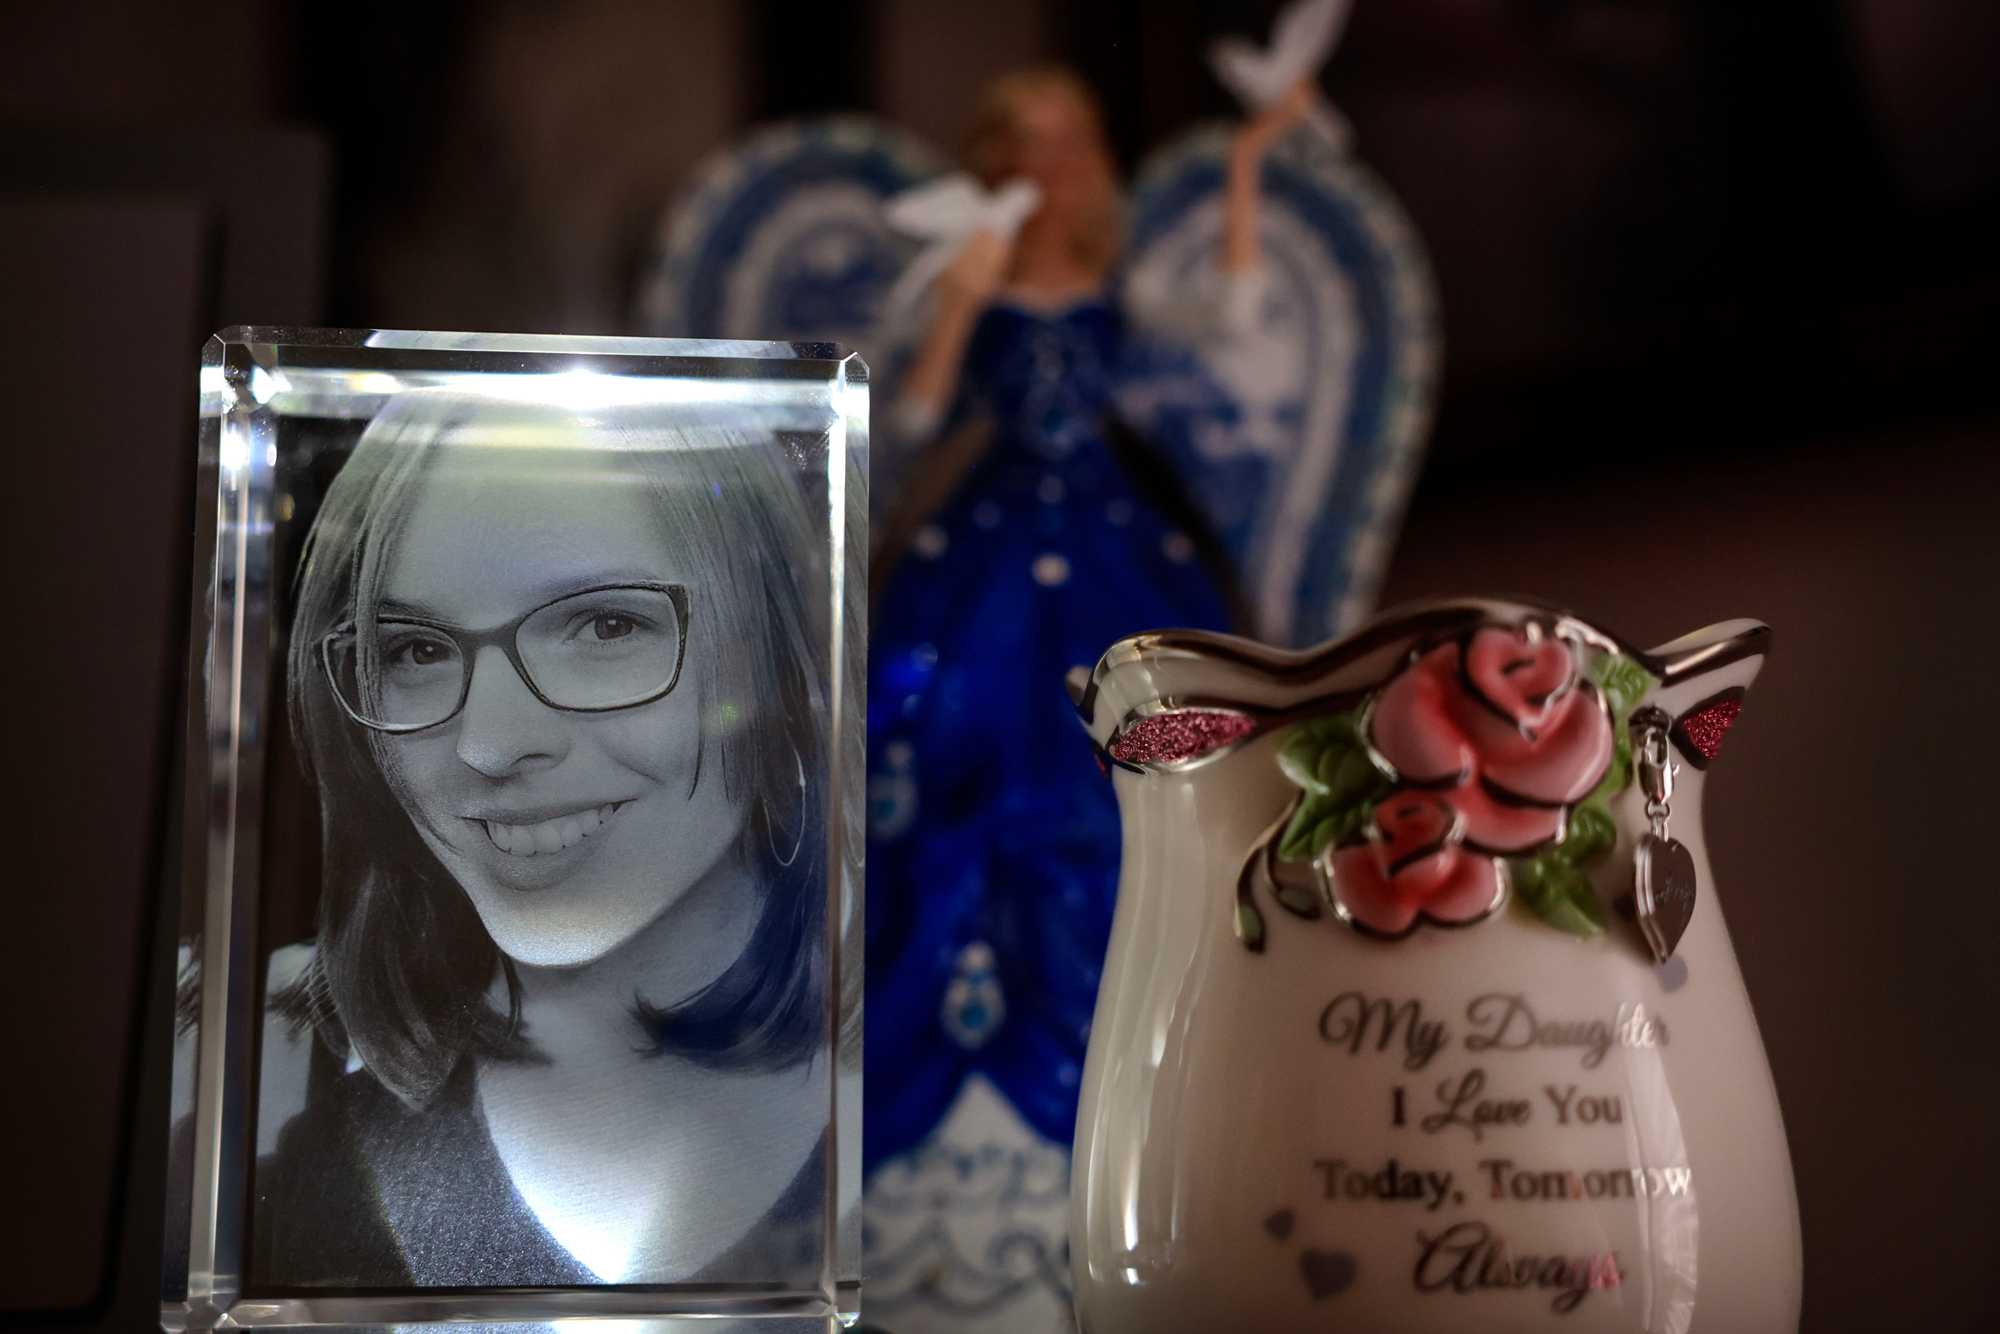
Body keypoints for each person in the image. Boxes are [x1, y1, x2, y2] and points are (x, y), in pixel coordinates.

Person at [862, 61, 1315, 1304]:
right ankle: (960, 1140)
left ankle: (1158, 1092)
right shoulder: (980, 271)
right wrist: (957, 306)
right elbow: (908, 416)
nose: (1051, 167)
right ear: (998, 159)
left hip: (1116, 551)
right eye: (1030, 144)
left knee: (1137, 763)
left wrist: (1241, 169)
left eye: (1071, 144)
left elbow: (1224, 323)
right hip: (986, 549)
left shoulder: (1118, 288)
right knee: (956, 754)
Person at [238, 388, 856, 1288]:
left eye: (607, 625)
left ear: (781, 660)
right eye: (415, 650)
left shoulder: (972, 1066)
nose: (489, 744)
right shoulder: (258, 1120)